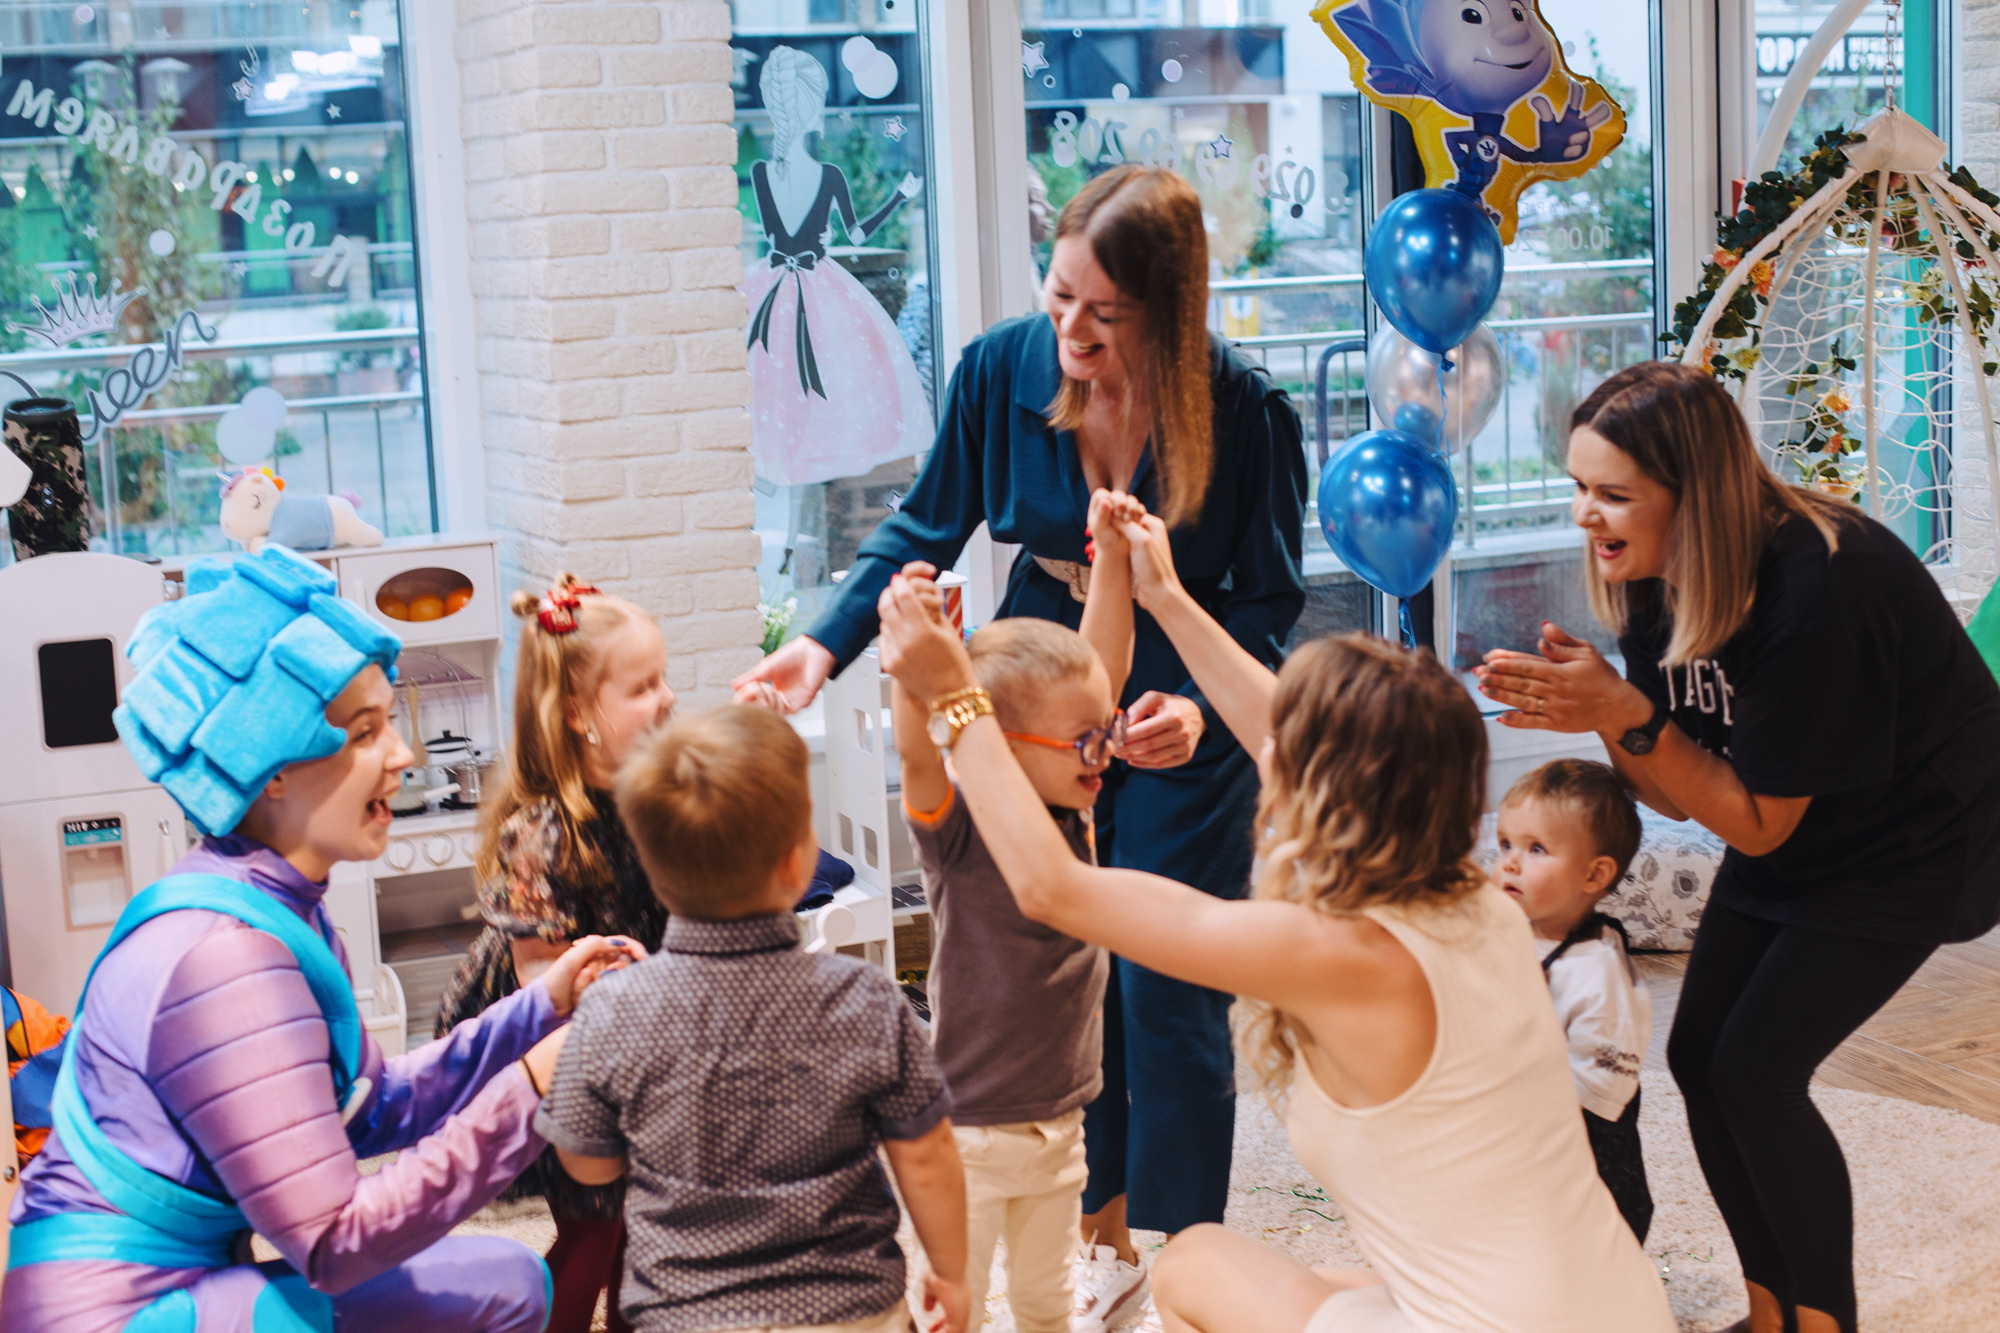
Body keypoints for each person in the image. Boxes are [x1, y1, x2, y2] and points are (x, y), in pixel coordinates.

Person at [736, 165, 1310, 1314]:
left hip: (1173, 672)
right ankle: (1092, 1226)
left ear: (1171, 309)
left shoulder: (1245, 410)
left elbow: (1270, 597)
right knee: (1047, 949)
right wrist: (821, 645)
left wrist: (1198, 701)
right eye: (1058, 299)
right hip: (1038, 668)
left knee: (1166, 980)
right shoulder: (1000, 366)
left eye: (1104, 314)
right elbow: (926, 518)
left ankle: (1181, 1245)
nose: (1070, 332)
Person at [873, 529, 1676, 1333]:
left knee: (1193, 1263)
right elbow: (1301, 733)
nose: (1264, 750)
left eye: (1283, 749)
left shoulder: (1332, 953)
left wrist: (958, 700)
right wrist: (1164, 596)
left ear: (1319, 791)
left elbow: (1052, 888)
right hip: (1617, 1307)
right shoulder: (1483, 904)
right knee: (1286, 1270)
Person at [1474, 361, 2000, 1333]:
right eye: (1578, 488)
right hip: (1793, 822)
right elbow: (1665, 780)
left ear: (1692, 494)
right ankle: (1767, 1316)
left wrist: (1622, 711)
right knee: (1699, 1052)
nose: (1586, 515)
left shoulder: (1818, 587)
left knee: (1756, 1069)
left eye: (1612, 494)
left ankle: (1821, 1323)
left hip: (1916, 837)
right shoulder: (1648, 578)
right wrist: (1606, 712)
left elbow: (1755, 819)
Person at [3, 543, 639, 1333]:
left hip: (189, 1274)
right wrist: (532, 1087)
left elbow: (374, 1105)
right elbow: (337, 1242)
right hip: (117, 1313)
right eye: (366, 732)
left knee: (510, 1278)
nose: (404, 753)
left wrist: (542, 1003)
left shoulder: (273, 899)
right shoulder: (227, 957)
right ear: (269, 766)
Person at [536, 705, 970, 1333]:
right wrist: (952, 1273)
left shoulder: (613, 1009)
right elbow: (927, 1154)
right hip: (847, 1311)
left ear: (654, 876)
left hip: (681, 1314)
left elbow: (587, 1163)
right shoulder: (866, 998)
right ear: (799, 868)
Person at [893, 492, 1134, 1333]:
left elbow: (1099, 663)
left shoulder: (1076, 806)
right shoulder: (959, 833)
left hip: (1061, 1124)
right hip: (968, 1134)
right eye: (1086, 741)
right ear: (1002, 741)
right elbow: (921, 747)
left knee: (1043, 1304)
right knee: (949, 1309)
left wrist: (1110, 561)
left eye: (1106, 734)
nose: (1104, 753)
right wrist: (913, 660)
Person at [435, 574, 676, 1333]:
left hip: (635, 1034)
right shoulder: (546, 833)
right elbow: (544, 977)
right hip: (558, 1051)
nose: (665, 697)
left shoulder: (649, 797)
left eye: (662, 679)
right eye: (642, 686)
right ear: (577, 713)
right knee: (595, 1223)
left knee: (642, 1222)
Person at [1494, 759, 1653, 1242]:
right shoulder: (1513, 931)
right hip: (1515, 1132)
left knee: (1580, 1247)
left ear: (1593, 875)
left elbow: (1602, 1086)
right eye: (1505, 844)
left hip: (1583, 1150)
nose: (1510, 862)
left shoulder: (1596, 970)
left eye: (1535, 848)